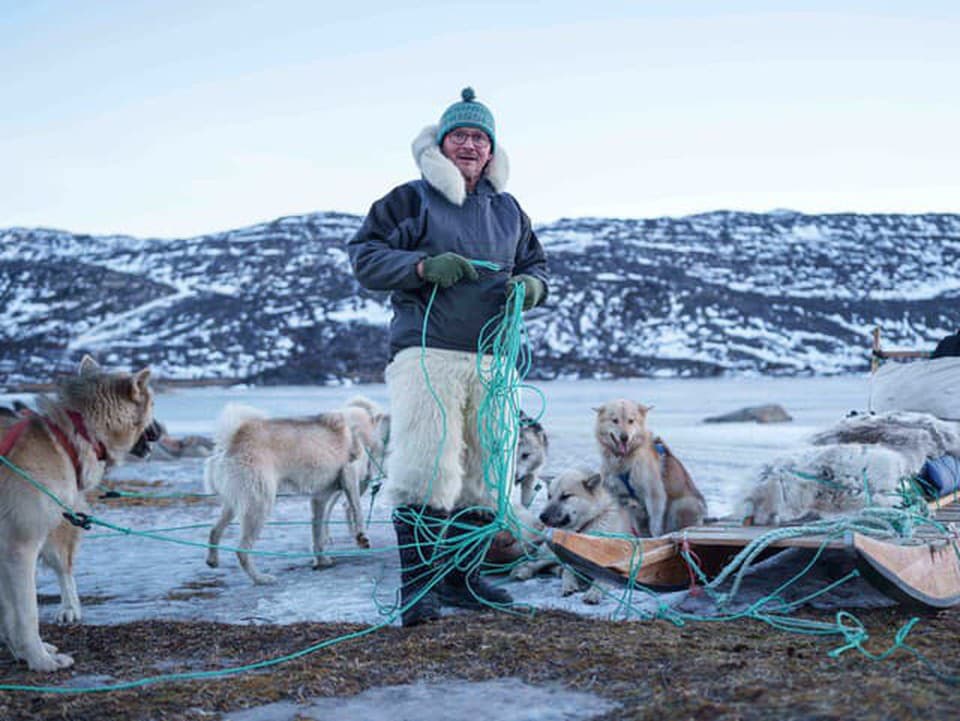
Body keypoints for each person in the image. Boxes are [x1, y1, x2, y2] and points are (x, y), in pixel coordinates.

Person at [347, 87, 549, 627]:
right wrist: (420, 267)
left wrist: (531, 287)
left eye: (480, 138)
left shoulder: (509, 210)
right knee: (426, 467)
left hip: (492, 358)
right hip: (428, 353)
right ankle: (420, 589)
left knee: (485, 471)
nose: (470, 145)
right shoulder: (410, 199)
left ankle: (463, 579)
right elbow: (364, 256)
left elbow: (536, 265)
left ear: (491, 150)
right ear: (441, 144)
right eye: (459, 135)